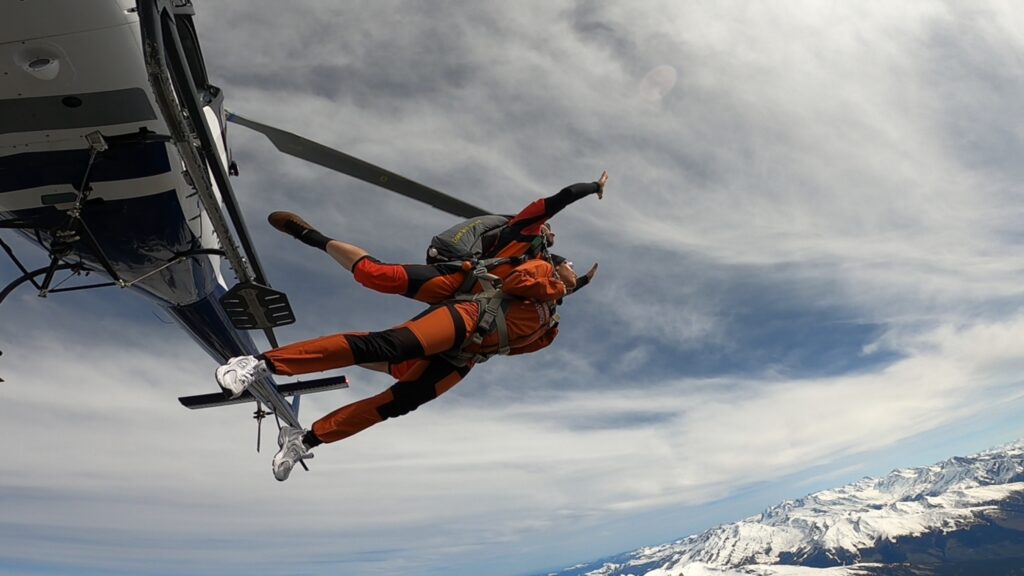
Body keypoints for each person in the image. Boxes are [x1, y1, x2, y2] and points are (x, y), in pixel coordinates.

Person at [216, 174, 608, 481]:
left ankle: (305, 439)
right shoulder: (531, 251)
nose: (572, 271)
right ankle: (262, 359)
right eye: (568, 266)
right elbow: (546, 223)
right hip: (466, 291)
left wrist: (576, 284)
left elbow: (519, 339)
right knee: (380, 298)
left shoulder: (549, 315)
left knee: (400, 400)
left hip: (468, 352)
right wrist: (592, 188)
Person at [268, 172, 608, 304]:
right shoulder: (525, 223)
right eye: (547, 232)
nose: (550, 236)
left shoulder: (541, 264)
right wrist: (594, 187)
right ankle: (309, 235)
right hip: (455, 262)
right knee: (375, 276)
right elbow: (562, 196)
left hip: (468, 292)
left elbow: (559, 281)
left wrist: (582, 281)